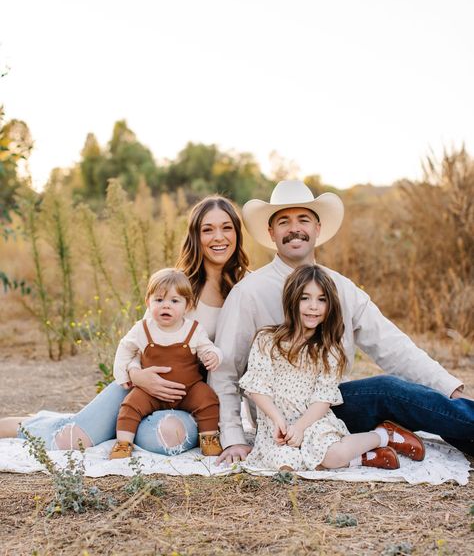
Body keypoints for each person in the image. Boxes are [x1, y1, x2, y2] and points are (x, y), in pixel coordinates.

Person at [209, 180, 474, 464]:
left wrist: (447, 386)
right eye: (284, 221)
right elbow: (225, 372)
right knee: (387, 391)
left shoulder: (341, 287)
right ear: (271, 232)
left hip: (329, 407)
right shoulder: (249, 292)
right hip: (278, 420)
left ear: (317, 229)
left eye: (304, 219)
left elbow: (393, 346)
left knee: (413, 400)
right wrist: (234, 439)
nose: (294, 228)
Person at [0, 196, 249, 455]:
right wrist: (136, 374)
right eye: (207, 229)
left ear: (237, 233)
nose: (218, 237)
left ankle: (119, 427)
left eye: (226, 227)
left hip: (192, 398)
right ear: (195, 237)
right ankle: (25, 425)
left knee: (169, 437)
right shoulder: (176, 288)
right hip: (142, 385)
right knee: (71, 440)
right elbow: (139, 341)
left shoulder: (248, 288)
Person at [240, 264, 425, 471]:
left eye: (322, 300)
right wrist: (278, 421)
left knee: (331, 456)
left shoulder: (329, 351)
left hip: (312, 422)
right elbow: (257, 387)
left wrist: (300, 428)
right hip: (276, 423)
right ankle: (362, 458)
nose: (313, 306)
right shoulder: (268, 340)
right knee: (286, 466)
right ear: (291, 300)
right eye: (305, 298)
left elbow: (323, 398)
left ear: (330, 306)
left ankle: (382, 436)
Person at [110, 268, 223, 459]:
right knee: (130, 405)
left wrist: (213, 355)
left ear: (187, 306)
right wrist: (122, 374)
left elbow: (207, 347)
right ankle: (123, 443)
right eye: (159, 300)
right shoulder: (143, 329)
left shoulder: (193, 329)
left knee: (207, 399)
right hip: (150, 392)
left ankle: (209, 437)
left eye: (174, 301)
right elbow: (125, 348)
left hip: (188, 389)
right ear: (148, 302)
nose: (166, 306)